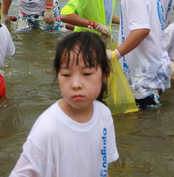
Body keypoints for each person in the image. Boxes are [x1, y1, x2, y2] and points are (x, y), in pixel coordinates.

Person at [10, 32, 118, 176]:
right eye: (66, 75)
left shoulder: (104, 114)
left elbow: (102, 169)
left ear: (104, 75)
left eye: (86, 74)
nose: (76, 84)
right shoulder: (48, 128)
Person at [103, 0, 171, 109]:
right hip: (153, 69)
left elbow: (141, 30)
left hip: (144, 76)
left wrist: (114, 55)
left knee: (144, 123)